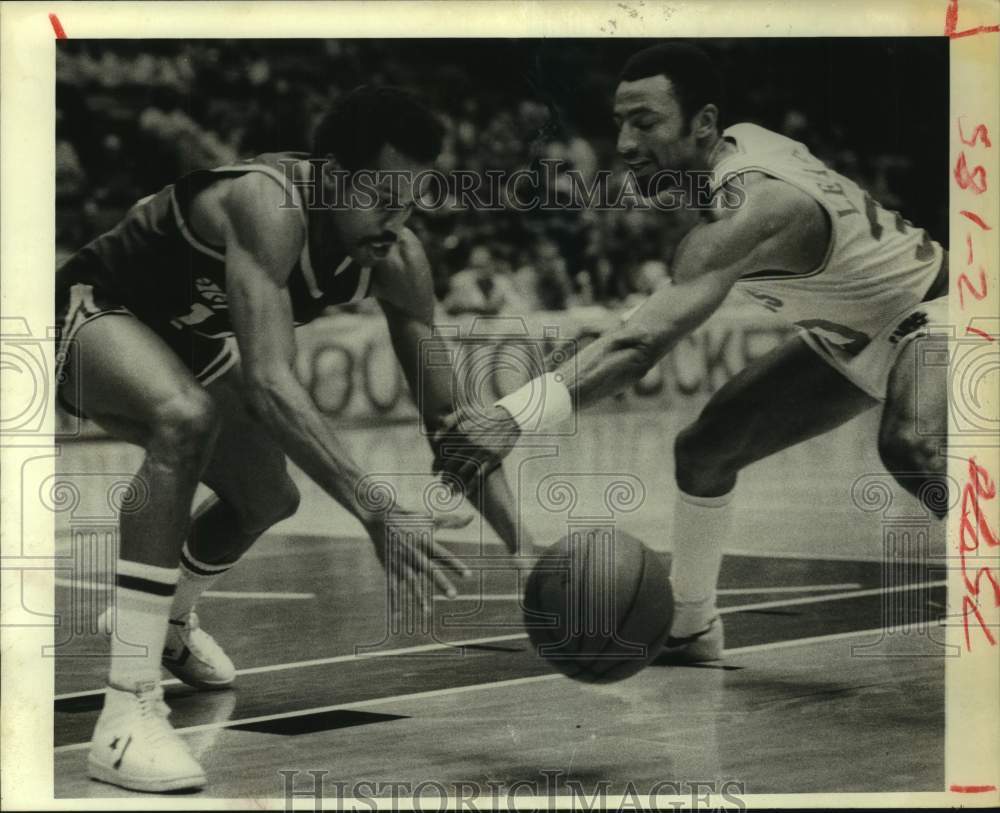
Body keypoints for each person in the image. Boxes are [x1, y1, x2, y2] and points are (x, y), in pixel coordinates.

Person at [56, 85, 527, 792]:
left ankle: (170, 621)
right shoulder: (268, 204)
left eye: (413, 200)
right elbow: (272, 383)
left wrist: (529, 551)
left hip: (185, 337)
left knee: (267, 495)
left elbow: (450, 424)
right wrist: (375, 506)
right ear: (333, 174)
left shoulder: (397, 259)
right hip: (93, 305)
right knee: (184, 418)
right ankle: (125, 713)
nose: (398, 220)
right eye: (383, 195)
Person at [435, 42, 948, 667]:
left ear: (703, 123)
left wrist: (512, 416)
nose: (623, 144)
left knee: (912, 445)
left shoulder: (751, 207)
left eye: (645, 122)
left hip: (951, 308)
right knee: (705, 451)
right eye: (619, 123)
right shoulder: (740, 149)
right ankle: (689, 627)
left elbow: (640, 344)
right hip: (861, 330)